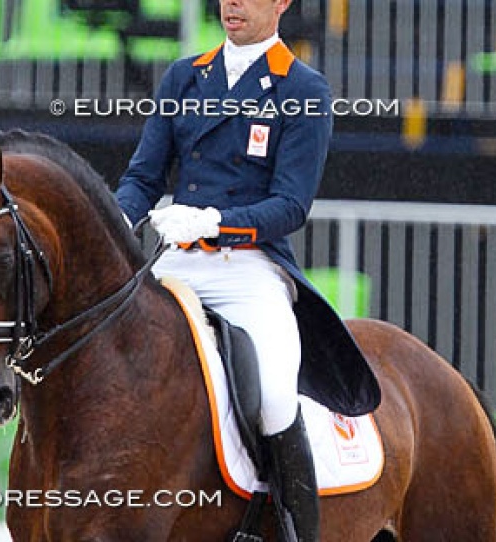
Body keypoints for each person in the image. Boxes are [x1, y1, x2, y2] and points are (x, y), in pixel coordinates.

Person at [115, 1, 380, 539]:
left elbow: (290, 205)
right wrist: (116, 221)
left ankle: (293, 531)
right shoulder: (185, 77)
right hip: (176, 263)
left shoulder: (302, 89)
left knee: (276, 397)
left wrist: (215, 222)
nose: (232, 3)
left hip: (249, 268)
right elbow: (143, 177)